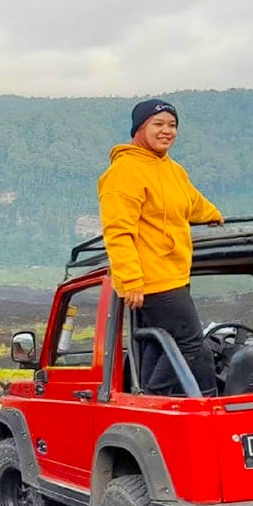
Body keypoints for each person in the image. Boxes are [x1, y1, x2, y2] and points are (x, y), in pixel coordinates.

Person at [97, 99, 224, 396]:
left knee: (158, 344)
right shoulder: (124, 171)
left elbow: (190, 203)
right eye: (158, 124)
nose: (167, 131)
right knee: (193, 347)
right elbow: (118, 231)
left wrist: (213, 215)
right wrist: (130, 281)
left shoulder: (173, 169)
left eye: (172, 125)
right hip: (152, 280)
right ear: (139, 128)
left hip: (176, 273)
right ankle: (209, 404)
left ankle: (149, 400)